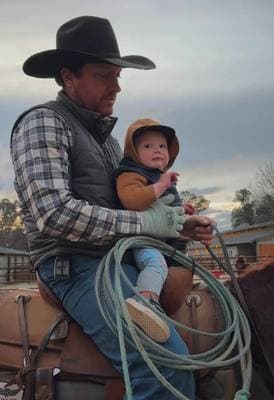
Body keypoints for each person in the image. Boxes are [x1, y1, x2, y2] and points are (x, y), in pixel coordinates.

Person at [10, 16, 215, 400]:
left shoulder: (105, 141)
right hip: (72, 264)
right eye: (104, 75)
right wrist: (146, 223)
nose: (117, 86)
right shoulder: (43, 122)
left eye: (118, 75)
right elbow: (53, 213)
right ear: (69, 76)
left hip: (114, 258)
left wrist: (174, 226)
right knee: (163, 365)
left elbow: (127, 206)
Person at [116, 117, 194, 343]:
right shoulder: (129, 175)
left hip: (163, 242)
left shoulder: (157, 177)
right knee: (155, 264)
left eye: (162, 146)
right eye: (148, 146)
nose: (157, 151)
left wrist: (182, 208)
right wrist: (160, 185)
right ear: (133, 152)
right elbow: (131, 199)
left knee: (180, 269)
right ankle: (144, 301)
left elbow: (165, 204)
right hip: (143, 240)